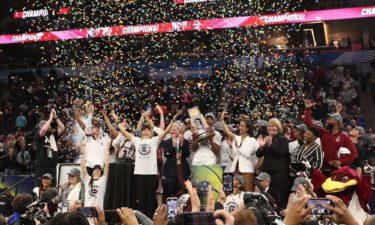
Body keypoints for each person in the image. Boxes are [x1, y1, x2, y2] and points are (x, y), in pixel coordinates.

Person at [117, 110, 182, 218]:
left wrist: (173, 120)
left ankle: (151, 219)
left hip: (151, 173)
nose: (146, 130)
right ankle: (141, 219)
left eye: (148, 129)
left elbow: (165, 132)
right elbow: (124, 132)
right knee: (140, 198)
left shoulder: (154, 140)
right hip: (139, 173)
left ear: (151, 133)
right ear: (141, 132)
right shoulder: (136, 140)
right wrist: (116, 120)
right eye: (144, 129)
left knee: (151, 197)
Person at [304, 100, 357, 176]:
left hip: (337, 170)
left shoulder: (344, 137)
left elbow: (354, 154)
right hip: (323, 168)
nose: (327, 121)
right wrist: (308, 109)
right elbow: (309, 123)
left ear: (337, 122)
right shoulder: (324, 132)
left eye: (329, 119)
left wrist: (341, 162)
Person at [220, 111, 259, 191]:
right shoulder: (236, 138)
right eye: (239, 126)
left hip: (247, 170)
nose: (239, 128)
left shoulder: (252, 140)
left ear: (247, 128)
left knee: (247, 193)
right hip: (235, 169)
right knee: (232, 191)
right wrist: (222, 120)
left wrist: (238, 147)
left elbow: (247, 154)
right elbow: (234, 156)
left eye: (242, 126)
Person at [256, 118, 289, 208]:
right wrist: (262, 146)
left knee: (278, 195)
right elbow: (258, 154)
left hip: (278, 173)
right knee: (265, 194)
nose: (270, 128)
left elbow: (280, 153)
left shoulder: (283, 140)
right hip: (266, 172)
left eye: (273, 126)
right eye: (269, 126)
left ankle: (279, 214)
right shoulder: (266, 138)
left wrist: (270, 144)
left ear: (278, 127)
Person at [74, 101, 111, 176]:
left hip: (101, 167)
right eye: (95, 127)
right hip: (90, 167)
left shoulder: (104, 138)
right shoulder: (89, 137)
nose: (97, 128)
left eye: (98, 127)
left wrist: (90, 110)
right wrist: (76, 107)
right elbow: (81, 121)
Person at [33, 109, 65, 185]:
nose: (50, 127)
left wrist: (55, 117)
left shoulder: (52, 135)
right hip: (42, 167)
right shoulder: (39, 135)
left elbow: (62, 128)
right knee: (40, 188)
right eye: (48, 125)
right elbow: (44, 129)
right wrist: (50, 118)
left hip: (52, 166)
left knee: (52, 188)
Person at [161, 121, 190, 201]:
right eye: (171, 130)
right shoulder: (166, 142)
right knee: (170, 192)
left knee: (181, 191)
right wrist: (173, 145)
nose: (173, 131)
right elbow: (167, 154)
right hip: (170, 171)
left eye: (175, 130)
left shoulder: (185, 141)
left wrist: (181, 144)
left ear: (179, 130)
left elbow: (187, 154)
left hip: (182, 170)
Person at [80, 140, 110, 210]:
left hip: (98, 210)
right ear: (92, 171)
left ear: (101, 173)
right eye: (95, 169)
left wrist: (107, 150)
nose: (97, 170)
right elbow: (82, 167)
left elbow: (107, 166)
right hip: (87, 209)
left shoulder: (103, 180)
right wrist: (82, 151)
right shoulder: (87, 179)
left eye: (99, 170)